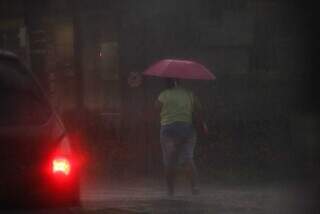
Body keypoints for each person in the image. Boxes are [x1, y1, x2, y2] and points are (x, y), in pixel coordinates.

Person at [155, 78, 208, 196]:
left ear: (169, 83)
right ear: (179, 82)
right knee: (188, 157)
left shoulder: (164, 94)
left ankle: (170, 190)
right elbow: (199, 108)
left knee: (169, 160)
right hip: (187, 129)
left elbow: (156, 107)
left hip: (168, 130)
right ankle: (195, 187)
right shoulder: (190, 94)